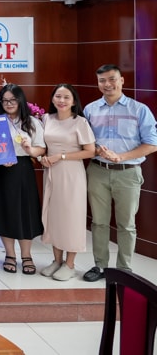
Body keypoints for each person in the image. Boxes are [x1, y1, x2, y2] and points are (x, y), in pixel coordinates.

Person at [82, 64, 157, 282]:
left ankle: (124, 269)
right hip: (98, 171)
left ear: (121, 80)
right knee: (99, 222)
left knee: (126, 224)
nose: (107, 84)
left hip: (128, 172)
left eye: (112, 79)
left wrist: (120, 157)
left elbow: (152, 144)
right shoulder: (90, 110)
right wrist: (97, 150)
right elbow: (85, 142)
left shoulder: (139, 110)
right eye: (102, 80)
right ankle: (100, 266)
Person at [39, 83, 96, 281]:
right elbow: (42, 146)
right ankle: (57, 260)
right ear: (52, 98)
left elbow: (90, 151)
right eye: (58, 96)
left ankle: (70, 264)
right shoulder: (46, 118)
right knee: (54, 217)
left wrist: (61, 156)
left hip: (71, 173)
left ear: (73, 101)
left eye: (66, 97)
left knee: (72, 217)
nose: (61, 101)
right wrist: (43, 157)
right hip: (51, 171)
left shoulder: (80, 122)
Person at [0, 84, 45, 275]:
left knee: (25, 212)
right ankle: (10, 254)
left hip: (23, 170)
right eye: (4, 100)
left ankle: (27, 255)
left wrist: (30, 150)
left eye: (13, 100)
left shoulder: (32, 122)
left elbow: (41, 148)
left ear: (21, 100)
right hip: (1, 171)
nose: (9, 104)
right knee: (4, 211)